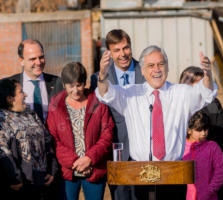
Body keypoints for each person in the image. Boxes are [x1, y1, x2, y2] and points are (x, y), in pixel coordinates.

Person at [96, 45, 216, 199]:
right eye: (151, 66)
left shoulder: (181, 93)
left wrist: (207, 74)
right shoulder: (130, 93)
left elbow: (205, 92)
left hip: (173, 175)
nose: (156, 70)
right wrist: (103, 74)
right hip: (140, 176)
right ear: (143, 71)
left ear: (167, 67)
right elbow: (105, 93)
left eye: (161, 64)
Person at [90, 29, 145, 200]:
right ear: (109, 52)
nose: (123, 54)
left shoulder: (145, 72)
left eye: (126, 48)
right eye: (117, 50)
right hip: (115, 151)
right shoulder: (97, 78)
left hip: (143, 151)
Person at [46, 62, 114, 200]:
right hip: (67, 171)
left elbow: (107, 134)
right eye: (71, 86)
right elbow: (54, 139)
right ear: (64, 84)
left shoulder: (98, 103)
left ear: (85, 83)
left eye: (79, 85)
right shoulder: (55, 105)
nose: (76, 90)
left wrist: (89, 159)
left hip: (94, 168)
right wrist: (75, 162)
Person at [0, 79, 58, 200]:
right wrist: (15, 179)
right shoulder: (3, 119)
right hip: (21, 185)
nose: (25, 94)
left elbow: (47, 140)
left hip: (43, 181)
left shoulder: (30, 114)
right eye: (21, 92)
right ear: (10, 98)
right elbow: (3, 151)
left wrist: (52, 170)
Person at [6, 39, 63, 123]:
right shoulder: (9, 85)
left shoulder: (58, 83)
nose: (38, 62)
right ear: (21, 61)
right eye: (32, 59)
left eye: (41, 57)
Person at [179, 66, 223, 150]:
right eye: (192, 84)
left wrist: (211, 150)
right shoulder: (177, 103)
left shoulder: (212, 104)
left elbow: (221, 130)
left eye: (201, 85)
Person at [182, 111, 223, 200]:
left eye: (205, 129)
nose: (203, 133)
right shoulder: (180, 148)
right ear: (189, 130)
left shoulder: (212, 147)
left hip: (209, 197)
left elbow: (220, 173)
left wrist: (208, 192)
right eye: (199, 130)